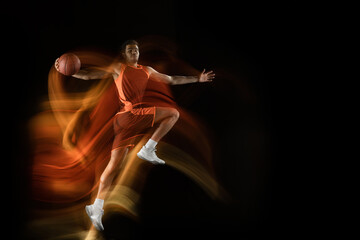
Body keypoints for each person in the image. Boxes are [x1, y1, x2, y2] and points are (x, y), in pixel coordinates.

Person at [55, 39, 215, 231]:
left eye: (137, 50)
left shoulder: (146, 70)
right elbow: (91, 76)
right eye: (131, 50)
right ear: (124, 53)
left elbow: (171, 79)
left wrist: (198, 78)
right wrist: (70, 71)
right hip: (130, 115)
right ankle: (148, 149)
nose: (135, 53)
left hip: (126, 122)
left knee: (113, 166)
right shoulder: (118, 68)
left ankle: (96, 207)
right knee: (173, 113)